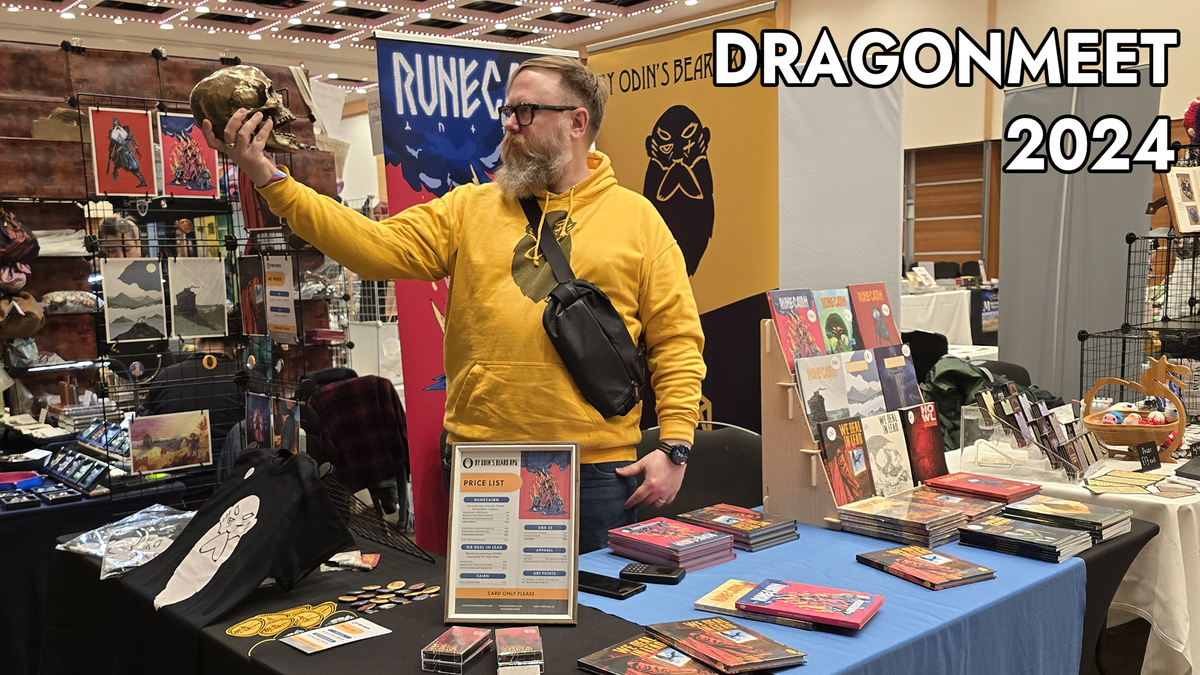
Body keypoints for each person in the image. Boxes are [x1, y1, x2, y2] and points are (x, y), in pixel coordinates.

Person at [202, 56, 706, 553]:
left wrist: (675, 446)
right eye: (507, 110)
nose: (509, 123)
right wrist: (270, 179)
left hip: (594, 469)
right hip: (484, 464)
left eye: (525, 111)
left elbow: (675, 338)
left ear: (577, 122)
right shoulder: (470, 207)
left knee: (595, 628)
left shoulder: (637, 220)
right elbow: (374, 249)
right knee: (488, 625)